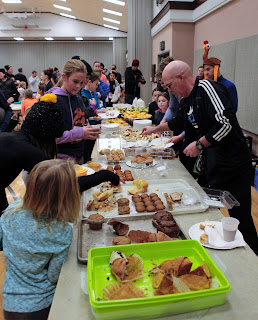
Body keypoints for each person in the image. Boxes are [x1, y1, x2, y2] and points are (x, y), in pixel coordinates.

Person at [142, 60, 258, 255]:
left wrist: (199, 144)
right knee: (208, 211)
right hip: (214, 164)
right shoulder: (187, 98)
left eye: (169, 86)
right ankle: (212, 249)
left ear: (181, 77)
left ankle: (253, 259)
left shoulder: (207, 88)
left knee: (241, 219)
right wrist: (155, 128)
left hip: (235, 165)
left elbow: (225, 124)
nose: (170, 91)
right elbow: (178, 122)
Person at [0, 157, 121, 320]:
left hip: (11, 303)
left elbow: (3, 244)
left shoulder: (10, 211)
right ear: (69, 195)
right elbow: (54, 276)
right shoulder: (61, 231)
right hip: (41, 306)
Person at [0, 94, 121, 215]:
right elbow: (67, 185)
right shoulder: (28, 151)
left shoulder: (15, 138)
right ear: (48, 137)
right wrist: (106, 175)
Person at [47, 59, 101, 163]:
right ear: (64, 77)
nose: (78, 86)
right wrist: (80, 133)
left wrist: (88, 132)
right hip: (60, 160)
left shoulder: (78, 99)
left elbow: (77, 126)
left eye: (81, 83)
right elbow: (52, 138)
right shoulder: (53, 101)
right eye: (75, 81)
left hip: (78, 155)